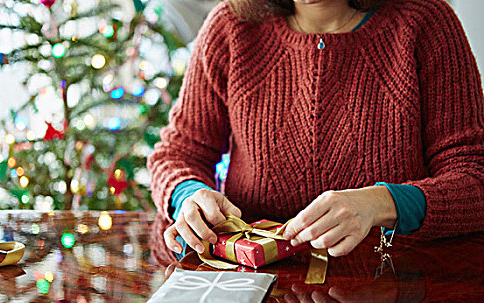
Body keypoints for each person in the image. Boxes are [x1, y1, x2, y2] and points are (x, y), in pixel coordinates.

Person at [147, 0, 484, 260]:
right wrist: (186, 195)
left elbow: (475, 178)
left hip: (401, 292)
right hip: (252, 294)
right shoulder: (231, 28)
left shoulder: (426, 23)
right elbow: (177, 153)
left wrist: (382, 203)